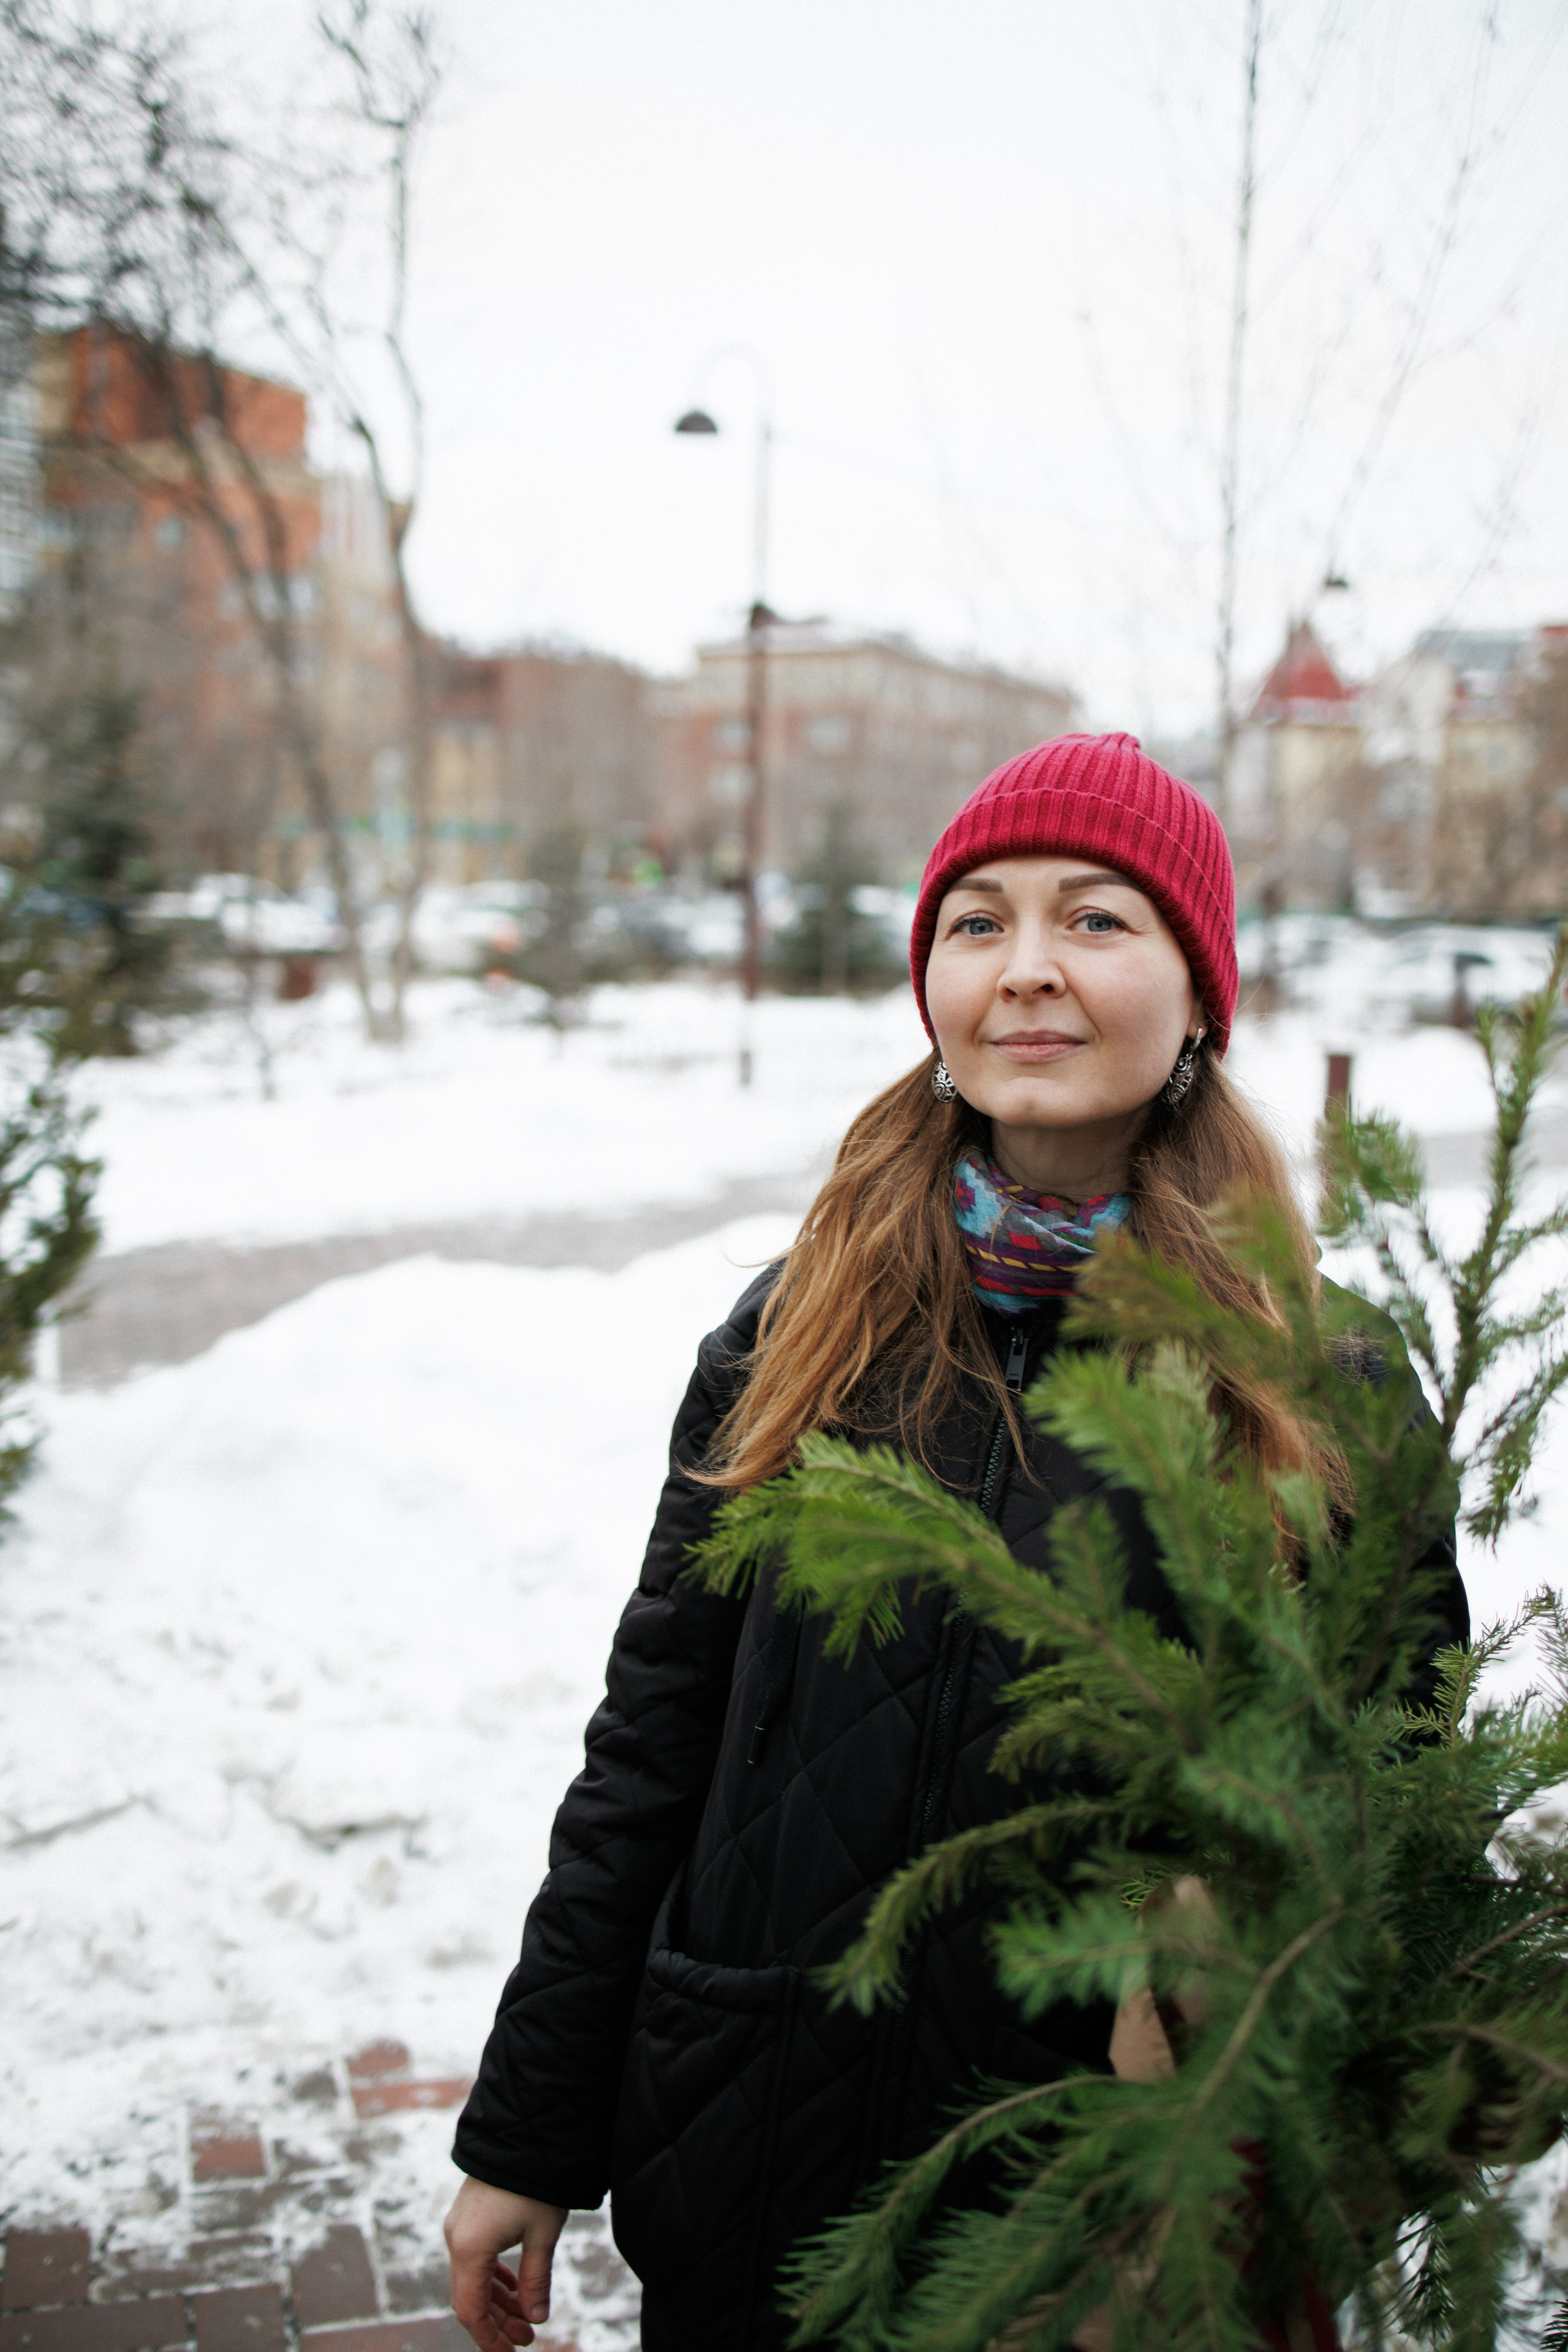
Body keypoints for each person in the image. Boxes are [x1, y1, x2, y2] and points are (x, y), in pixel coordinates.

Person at [443, 732, 1468, 2352]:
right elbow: (652, 1752)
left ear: (1203, 992)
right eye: (977, 922)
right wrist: (529, 2132)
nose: (1028, 971)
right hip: (764, 2164)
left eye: (1099, 921)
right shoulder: (795, 1338)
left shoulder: (1313, 1389)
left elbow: (1394, 1818)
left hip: (1115, 2224)